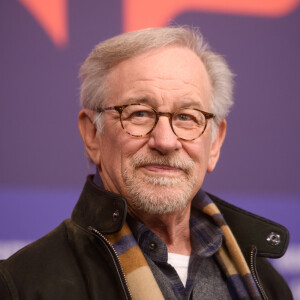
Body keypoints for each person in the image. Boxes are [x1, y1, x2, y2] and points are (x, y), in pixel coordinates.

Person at [0, 26, 292, 300]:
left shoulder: (266, 283)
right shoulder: (22, 285)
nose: (165, 141)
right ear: (92, 134)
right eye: (139, 113)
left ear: (214, 143)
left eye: (187, 117)